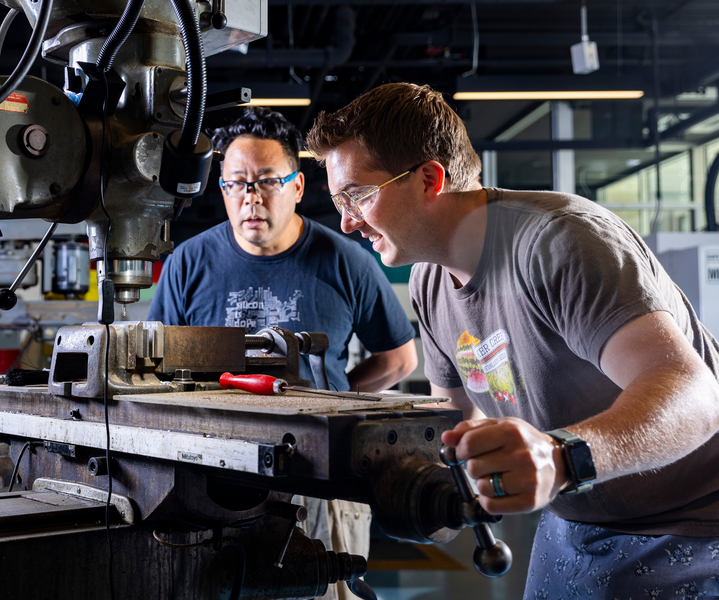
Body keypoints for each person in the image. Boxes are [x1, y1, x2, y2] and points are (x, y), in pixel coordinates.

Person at [306, 82, 719, 597]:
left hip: (696, 523)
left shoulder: (560, 242)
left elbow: (696, 397)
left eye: (358, 195)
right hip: (576, 519)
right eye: (339, 200)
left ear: (430, 178)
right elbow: (455, 424)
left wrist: (561, 458)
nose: (347, 221)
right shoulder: (429, 282)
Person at [148, 106, 418, 599]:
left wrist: (335, 399)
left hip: (319, 475)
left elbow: (400, 360)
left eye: (267, 181)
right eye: (237, 183)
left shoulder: (347, 261)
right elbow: (155, 364)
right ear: (222, 189)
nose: (251, 197)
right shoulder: (188, 262)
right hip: (211, 472)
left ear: (297, 186)